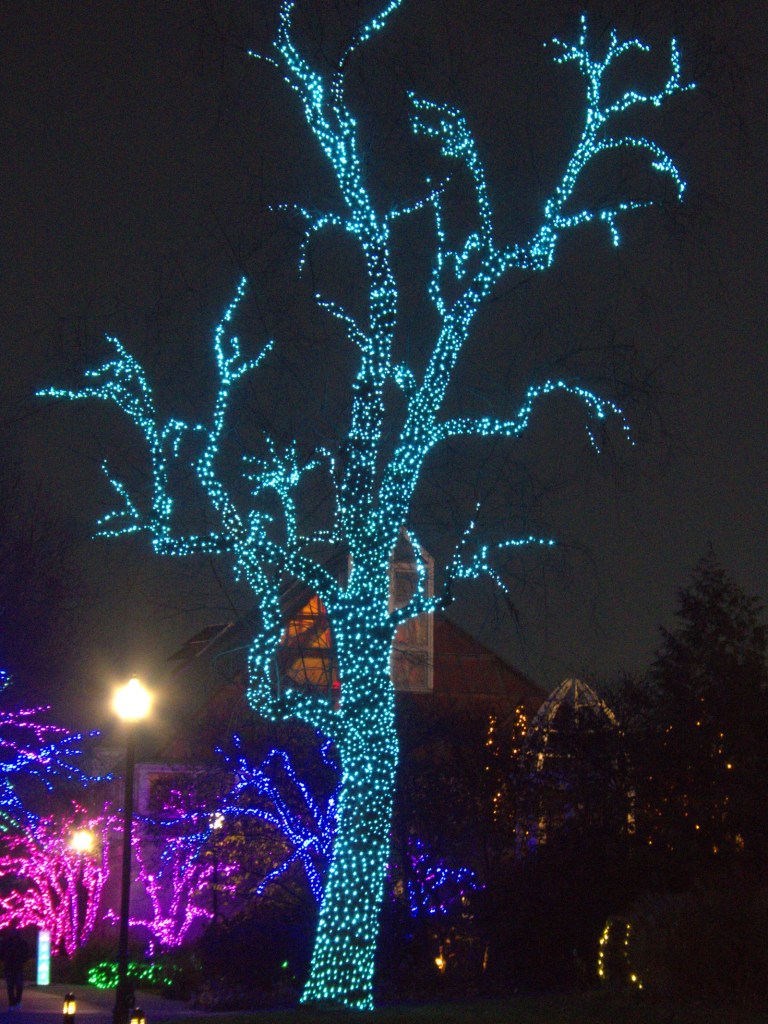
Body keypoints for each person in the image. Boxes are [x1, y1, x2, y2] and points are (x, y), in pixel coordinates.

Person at [0, 920, 30, 1010]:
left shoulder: (16, 942)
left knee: (15, 986)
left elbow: (25, 953)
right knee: (13, 986)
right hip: (12, 966)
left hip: (14, 966)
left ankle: (15, 1002)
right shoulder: (8, 942)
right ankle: (14, 1003)